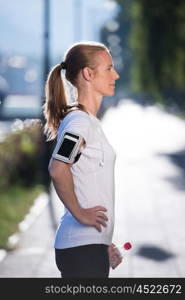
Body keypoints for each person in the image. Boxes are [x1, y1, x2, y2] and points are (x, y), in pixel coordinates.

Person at [43, 41, 122, 278]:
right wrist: (80, 213)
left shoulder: (87, 122)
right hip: (81, 250)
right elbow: (58, 169)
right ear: (88, 73)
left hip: (89, 247)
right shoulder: (79, 123)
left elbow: (90, 183)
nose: (115, 75)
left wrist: (103, 241)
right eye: (109, 68)